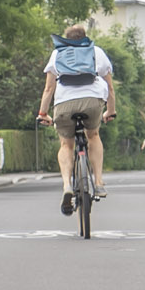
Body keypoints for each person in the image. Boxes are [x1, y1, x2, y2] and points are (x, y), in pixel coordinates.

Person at [37, 21, 115, 215]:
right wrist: (110, 111)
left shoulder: (57, 54)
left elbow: (48, 89)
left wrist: (42, 114)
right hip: (92, 102)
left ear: (65, 38)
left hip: (64, 104)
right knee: (93, 136)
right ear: (84, 37)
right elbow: (111, 89)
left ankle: (66, 186)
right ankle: (98, 182)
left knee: (66, 145)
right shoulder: (96, 52)